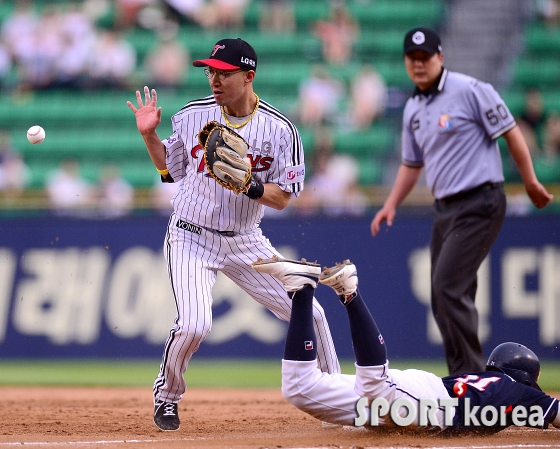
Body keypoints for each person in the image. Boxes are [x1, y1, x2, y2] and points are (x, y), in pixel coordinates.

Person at [126, 37, 340, 432]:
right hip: (191, 234)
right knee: (194, 325)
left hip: (246, 240)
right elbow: (169, 171)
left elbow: (283, 199)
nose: (214, 79)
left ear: (249, 76)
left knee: (313, 314)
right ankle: (167, 395)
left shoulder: (280, 130)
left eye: (223, 73)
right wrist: (149, 136)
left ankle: (339, 399)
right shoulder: (192, 115)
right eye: (210, 71)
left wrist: (250, 186)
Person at [370, 27, 554, 376]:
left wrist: (529, 181)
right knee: (443, 295)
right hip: (446, 208)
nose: (419, 64)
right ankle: (462, 379)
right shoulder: (413, 108)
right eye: (413, 58)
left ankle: (473, 382)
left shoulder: (471, 90)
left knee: (446, 286)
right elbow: (412, 165)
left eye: (426, 57)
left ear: (440, 57)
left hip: (480, 201)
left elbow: (511, 132)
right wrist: (391, 203)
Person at [252, 256, 560, 433]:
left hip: (421, 397)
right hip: (433, 407)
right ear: (526, 378)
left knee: (300, 387)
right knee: (377, 387)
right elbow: (554, 412)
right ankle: (350, 292)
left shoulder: (493, 384)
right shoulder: (522, 393)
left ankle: (301, 288)